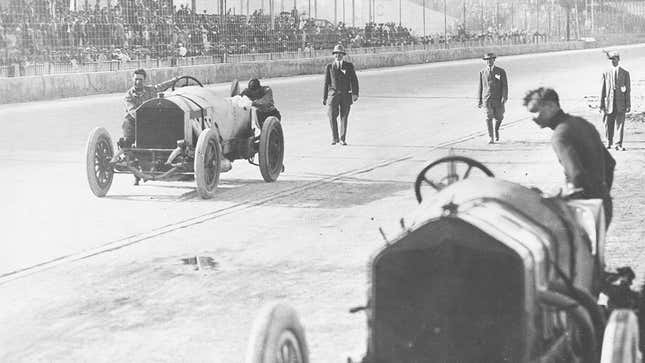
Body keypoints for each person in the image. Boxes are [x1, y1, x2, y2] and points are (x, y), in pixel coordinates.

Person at [523, 87, 616, 226]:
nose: (533, 118)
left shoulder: (560, 136)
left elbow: (576, 175)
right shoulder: (581, 123)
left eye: (535, 111)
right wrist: (601, 195)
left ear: (551, 106)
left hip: (584, 211)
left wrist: (557, 201)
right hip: (603, 205)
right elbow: (610, 163)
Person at [121, 68, 178, 148]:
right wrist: (146, 119)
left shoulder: (150, 90)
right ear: (132, 79)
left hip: (149, 121)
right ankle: (127, 150)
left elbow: (161, 86)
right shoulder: (128, 96)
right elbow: (133, 111)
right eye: (136, 79)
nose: (138, 82)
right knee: (127, 131)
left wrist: (174, 80)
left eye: (140, 79)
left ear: (144, 80)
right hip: (133, 122)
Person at [323, 44, 359, 145]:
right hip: (333, 96)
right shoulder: (329, 67)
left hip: (346, 95)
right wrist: (325, 97)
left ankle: (343, 139)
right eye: (336, 54)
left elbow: (354, 81)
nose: (338, 56)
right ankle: (335, 138)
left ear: (343, 55)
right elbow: (326, 83)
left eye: (340, 54)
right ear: (333, 55)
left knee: (344, 117)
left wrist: (355, 93)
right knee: (331, 115)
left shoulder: (349, 66)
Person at [600, 50, 631, 151]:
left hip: (621, 103)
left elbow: (628, 91)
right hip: (609, 103)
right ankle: (609, 143)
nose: (612, 61)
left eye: (614, 59)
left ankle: (618, 144)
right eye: (611, 59)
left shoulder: (625, 73)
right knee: (608, 123)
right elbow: (602, 90)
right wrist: (601, 105)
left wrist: (628, 104)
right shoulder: (605, 73)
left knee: (620, 124)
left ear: (618, 59)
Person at [477, 52, 508, 144]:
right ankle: (491, 137)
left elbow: (505, 85)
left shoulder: (501, 71)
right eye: (487, 60)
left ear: (494, 60)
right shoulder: (482, 72)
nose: (489, 62)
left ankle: (496, 129)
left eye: (490, 59)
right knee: (488, 117)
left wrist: (504, 97)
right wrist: (479, 100)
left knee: (499, 117)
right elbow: (481, 87)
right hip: (487, 99)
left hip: (498, 99)